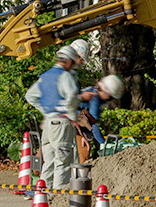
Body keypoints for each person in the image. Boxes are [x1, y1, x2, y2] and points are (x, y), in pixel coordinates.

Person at [26, 46, 80, 189]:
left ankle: (44, 197)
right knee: (62, 162)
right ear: (68, 61)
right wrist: (72, 115)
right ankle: (58, 200)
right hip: (61, 124)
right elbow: (72, 95)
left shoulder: (45, 76)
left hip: (48, 124)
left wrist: (46, 111)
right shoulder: (65, 76)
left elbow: (30, 96)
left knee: (48, 163)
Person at [76, 74, 124, 161]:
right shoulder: (95, 98)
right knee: (84, 153)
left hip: (78, 128)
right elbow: (93, 124)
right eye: (110, 95)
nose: (109, 98)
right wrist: (103, 143)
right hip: (72, 127)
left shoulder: (95, 94)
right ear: (106, 92)